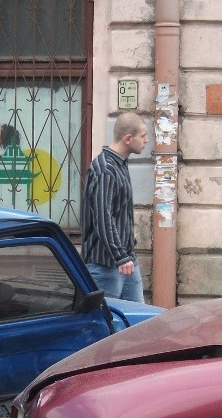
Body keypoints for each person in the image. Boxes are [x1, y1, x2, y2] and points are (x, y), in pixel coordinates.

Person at [81, 112, 149, 302]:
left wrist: (126, 255)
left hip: (126, 260)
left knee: (138, 322)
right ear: (128, 138)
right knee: (109, 327)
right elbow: (104, 217)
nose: (146, 140)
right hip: (105, 265)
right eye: (143, 135)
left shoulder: (119, 165)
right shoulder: (106, 170)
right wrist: (120, 256)